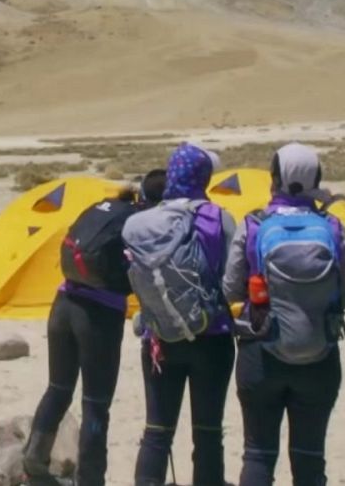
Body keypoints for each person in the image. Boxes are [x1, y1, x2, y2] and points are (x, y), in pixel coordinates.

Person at [222, 143, 345, 486]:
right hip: (319, 353)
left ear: (275, 179)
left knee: (259, 454)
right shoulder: (334, 228)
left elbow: (231, 290)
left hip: (260, 352)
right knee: (310, 456)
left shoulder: (254, 225)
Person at [22, 170, 164, 486]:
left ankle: (33, 461)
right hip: (98, 316)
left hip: (63, 304)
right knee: (96, 404)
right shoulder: (141, 225)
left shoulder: (104, 207)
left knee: (58, 389)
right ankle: (90, 479)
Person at [131, 143, 236, 486]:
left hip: (160, 337)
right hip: (212, 336)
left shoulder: (142, 222)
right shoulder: (218, 217)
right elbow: (231, 283)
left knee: (157, 432)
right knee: (207, 433)